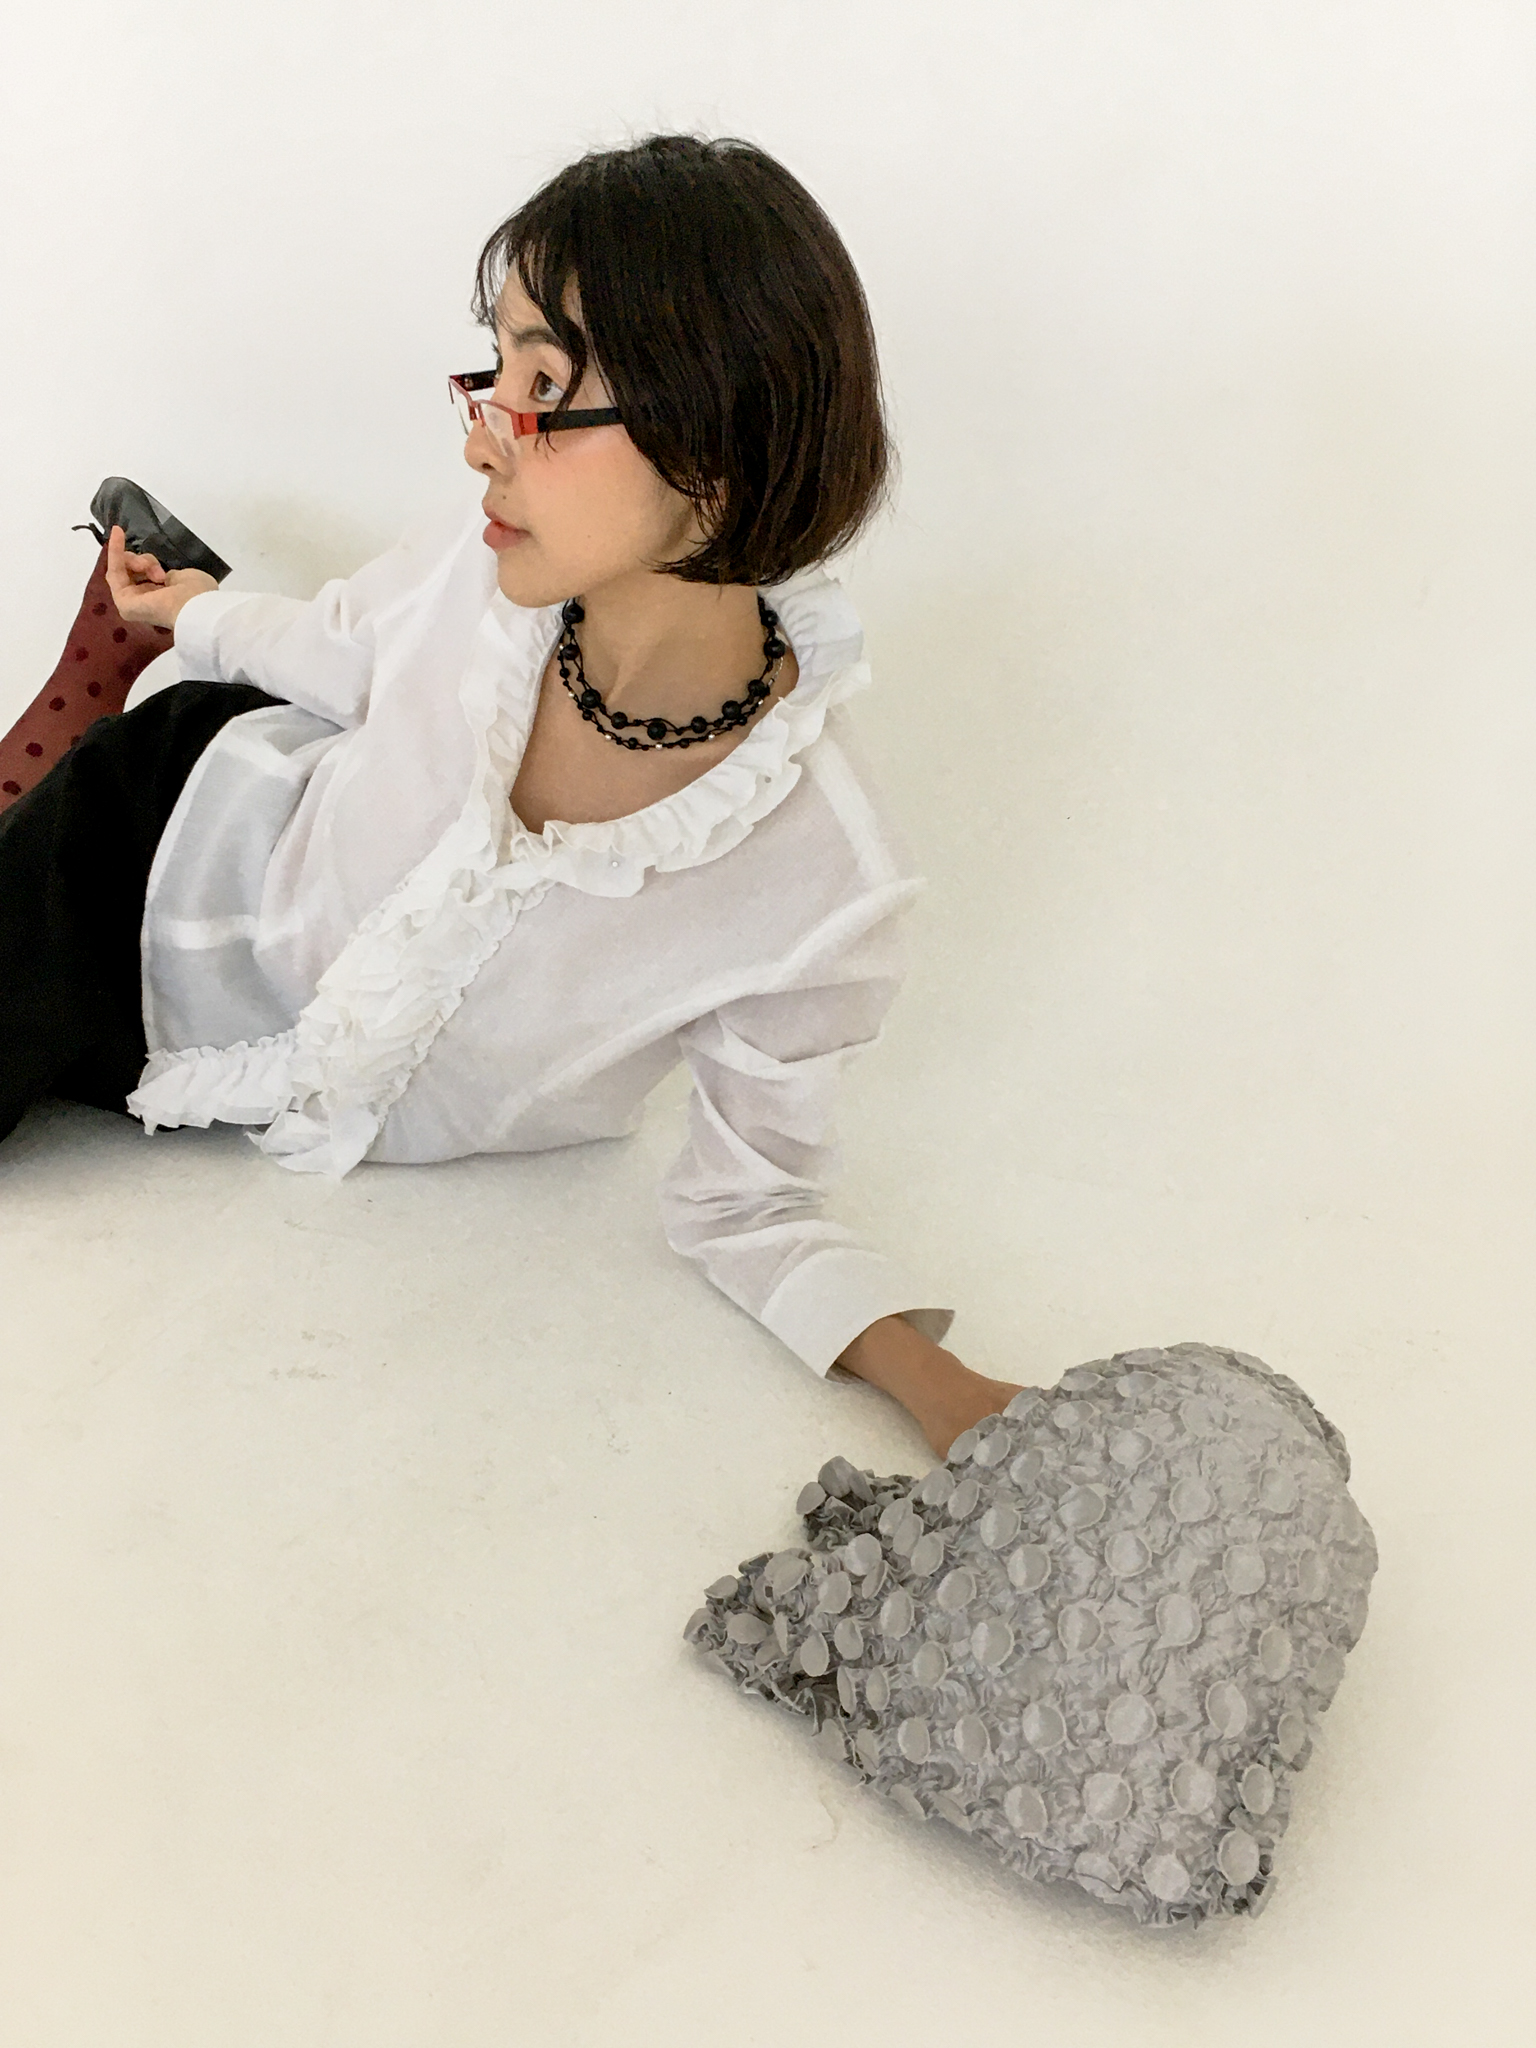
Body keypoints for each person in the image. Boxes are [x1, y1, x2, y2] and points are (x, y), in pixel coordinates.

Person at [0, 131, 1022, 1456]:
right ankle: (107, 679)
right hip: (164, 844)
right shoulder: (478, 569)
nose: (485, 443)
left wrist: (942, 1389)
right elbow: (339, 655)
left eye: (542, 386)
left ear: (715, 446)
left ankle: (88, 693)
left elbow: (749, 1205)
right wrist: (192, 617)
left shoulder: (824, 881)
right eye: (492, 373)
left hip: (230, 1046)